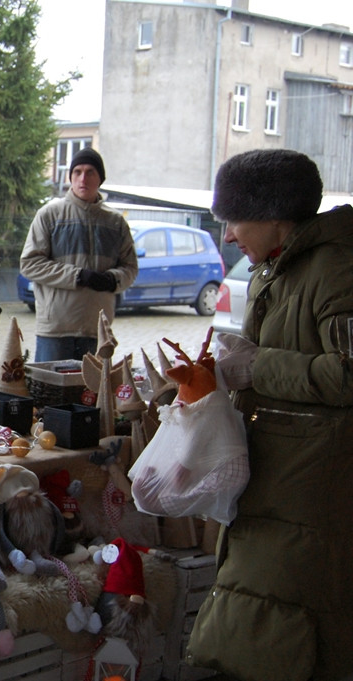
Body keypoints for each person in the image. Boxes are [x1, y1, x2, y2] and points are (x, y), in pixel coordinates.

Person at [187, 149, 353, 681]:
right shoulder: (276, 267)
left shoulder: (336, 269)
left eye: (234, 220)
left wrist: (258, 366)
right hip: (274, 483)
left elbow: (347, 373)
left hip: (311, 493)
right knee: (256, 633)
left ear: (275, 214)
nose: (230, 236)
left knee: (286, 640)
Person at [19, 148, 138, 362]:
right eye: (77, 172)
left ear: (100, 179)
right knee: (50, 393)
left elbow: (130, 267)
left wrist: (113, 279)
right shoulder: (49, 215)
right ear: (70, 177)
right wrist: (77, 276)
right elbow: (30, 264)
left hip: (97, 331)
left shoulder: (115, 223)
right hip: (55, 330)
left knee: (93, 395)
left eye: (90, 172)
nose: (83, 178)